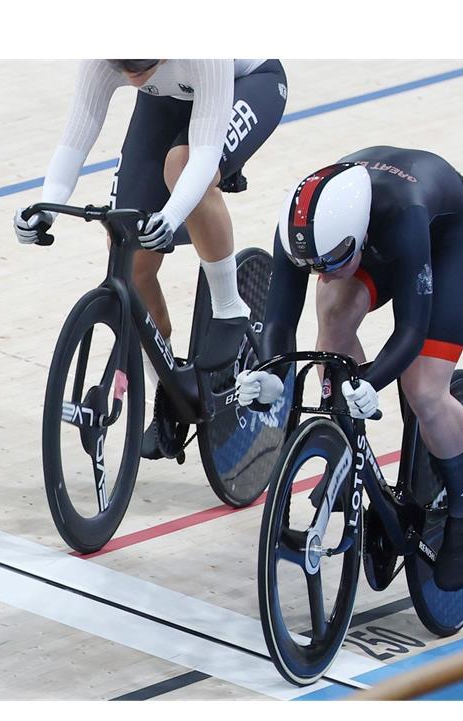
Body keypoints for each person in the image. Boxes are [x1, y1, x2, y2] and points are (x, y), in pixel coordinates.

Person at [235, 147, 463, 591]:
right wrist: (273, 374)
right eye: (315, 266)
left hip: (445, 244)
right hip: (369, 242)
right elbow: (280, 320)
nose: (325, 275)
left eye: (333, 262)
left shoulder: (404, 215)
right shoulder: (298, 225)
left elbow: (411, 330)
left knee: (424, 389)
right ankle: (348, 445)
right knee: (331, 317)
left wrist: (371, 381)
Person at [15, 59, 288, 458]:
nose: (131, 71)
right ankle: (168, 395)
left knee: (182, 167)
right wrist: (47, 207)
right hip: (168, 97)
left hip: (245, 82)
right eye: (123, 65)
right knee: (130, 257)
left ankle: (230, 308)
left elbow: (204, 155)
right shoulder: (110, 57)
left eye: (141, 63)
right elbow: (77, 136)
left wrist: (173, 215)